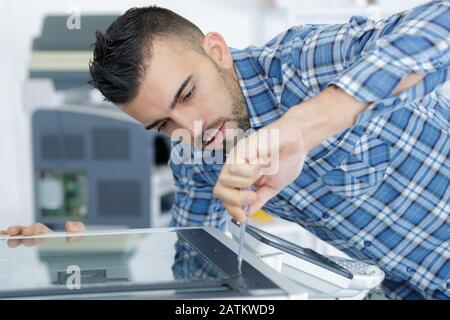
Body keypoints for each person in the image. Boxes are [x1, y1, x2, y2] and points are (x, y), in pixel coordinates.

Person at [3, 1, 449, 299]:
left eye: (187, 94)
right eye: (163, 124)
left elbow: (440, 23)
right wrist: (74, 260)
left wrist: (300, 126)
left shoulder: (299, 64)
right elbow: (194, 268)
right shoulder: (195, 156)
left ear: (216, 50)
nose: (191, 129)